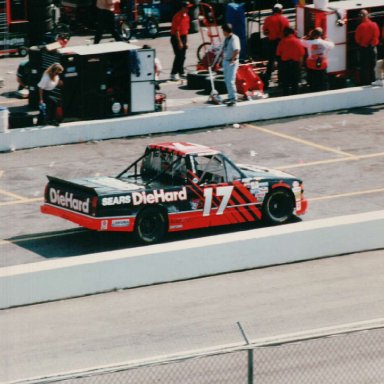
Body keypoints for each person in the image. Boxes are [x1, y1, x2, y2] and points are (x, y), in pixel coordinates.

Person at [262, 3, 289, 89]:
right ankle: (281, 80)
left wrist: (271, 34)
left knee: (270, 62)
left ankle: (266, 81)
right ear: (281, 10)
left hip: (271, 42)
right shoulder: (284, 19)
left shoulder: (268, 19)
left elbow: (265, 32)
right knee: (281, 62)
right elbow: (287, 32)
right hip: (281, 42)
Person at [301, 27, 334, 92]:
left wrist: (307, 36)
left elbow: (301, 41)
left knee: (312, 82)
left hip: (311, 65)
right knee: (323, 81)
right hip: (322, 65)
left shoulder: (308, 42)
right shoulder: (326, 43)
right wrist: (326, 38)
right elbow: (332, 45)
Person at [276, 27, 305, 96]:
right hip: (295, 65)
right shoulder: (298, 41)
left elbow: (278, 54)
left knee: (285, 84)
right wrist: (300, 66)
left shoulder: (282, 41)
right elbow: (301, 55)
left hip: (285, 65)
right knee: (295, 84)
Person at [355, 9, 380, 85]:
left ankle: (365, 83)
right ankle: (373, 81)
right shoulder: (374, 24)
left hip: (363, 49)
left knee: (364, 67)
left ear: (361, 16)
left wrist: (364, 44)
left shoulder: (360, 27)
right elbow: (376, 36)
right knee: (373, 66)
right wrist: (371, 44)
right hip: (372, 49)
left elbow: (357, 39)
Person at [170, 1, 190, 81]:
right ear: (183, 8)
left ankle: (181, 72)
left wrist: (186, 41)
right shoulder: (177, 16)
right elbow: (176, 31)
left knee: (183, 56)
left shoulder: (187, 16)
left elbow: (186, 29)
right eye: (187, 8)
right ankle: (173, 73)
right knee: (178, 56)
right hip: (176, 37)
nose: (188, 9)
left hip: (183, 37)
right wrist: (180, 42)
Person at [221, 23, 240, 106]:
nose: (222, 32)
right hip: (226, 61)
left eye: (223, 31)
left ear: (226, 31)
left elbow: (237, 50)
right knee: (227, 80)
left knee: (231, 80)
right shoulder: (227, 38)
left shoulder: (234, 38)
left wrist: (233, 60)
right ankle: (230, 96)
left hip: (231, 62)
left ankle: (233, 98)